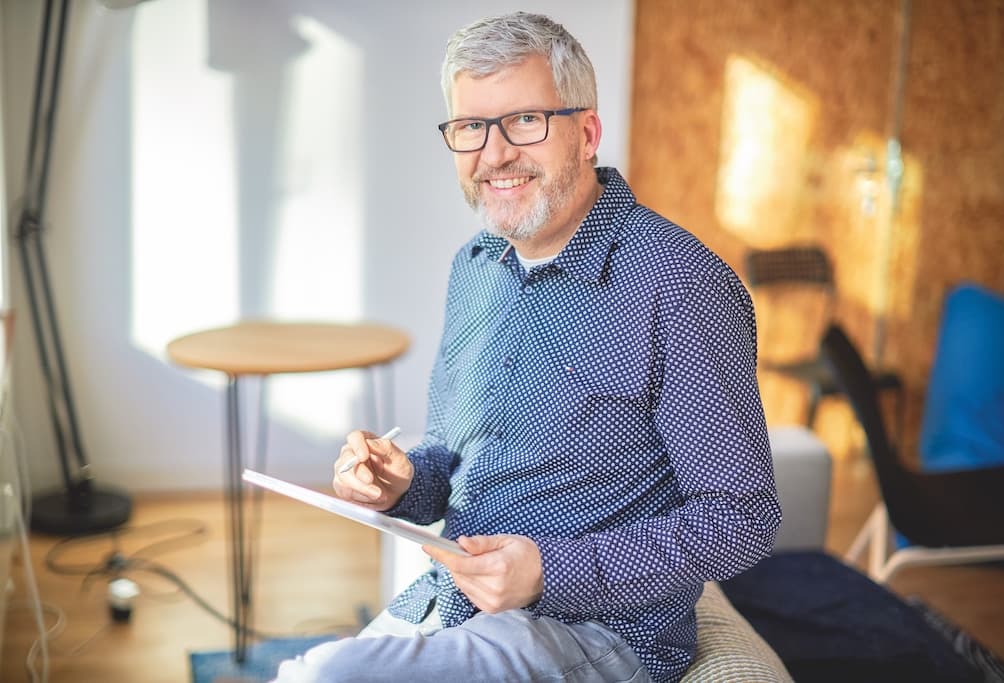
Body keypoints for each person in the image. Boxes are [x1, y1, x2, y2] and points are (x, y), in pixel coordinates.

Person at [274, 11, 779, 683]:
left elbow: (741, 517)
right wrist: (400, 483)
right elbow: (456, 466)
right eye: (470, 128)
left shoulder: (681, 285)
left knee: (325, 677)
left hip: (592, 631)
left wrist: (549, 569)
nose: (495, 153)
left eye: (526, 122)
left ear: (587, 132)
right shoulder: (475, 268)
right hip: (449, 601)